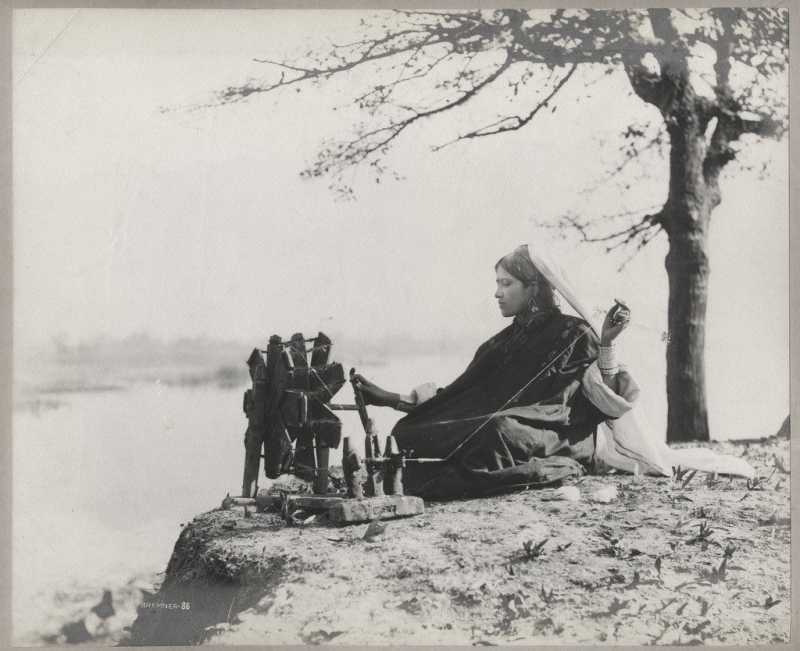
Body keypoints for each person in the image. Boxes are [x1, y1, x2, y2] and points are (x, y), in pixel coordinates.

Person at [354, 243, 755, 499]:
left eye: (506, 283)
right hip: (507, 427)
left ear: (533, 287)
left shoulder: (575, 334)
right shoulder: (498, 344)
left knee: (496, 430)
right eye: (497, 283)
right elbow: (461, 395)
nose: (496, 292)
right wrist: (395, 401)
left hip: (560, 435)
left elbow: (610, 400)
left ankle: (437, 477)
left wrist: (607, 343)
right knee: (410, 432)